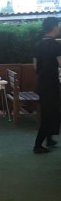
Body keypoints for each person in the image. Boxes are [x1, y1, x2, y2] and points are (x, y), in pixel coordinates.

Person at [33, 16, 61, 154]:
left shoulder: (38, 44)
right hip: (51, 85)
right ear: (54, 27)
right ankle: (38, 145)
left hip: (41, 84)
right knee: (50, 114)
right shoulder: (56, 45)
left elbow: (35, 66)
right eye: (58, 25)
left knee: (49, 111)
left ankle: (49, 139)